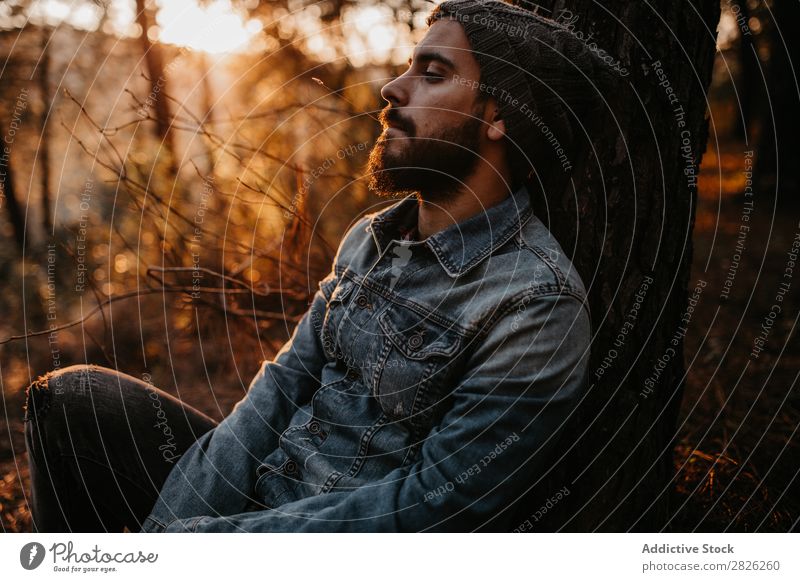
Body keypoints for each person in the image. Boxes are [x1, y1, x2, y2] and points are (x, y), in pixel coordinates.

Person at [24, 0, 609, 532]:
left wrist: (219, 546)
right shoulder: (371, 238)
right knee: (70, 402)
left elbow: (436, 507)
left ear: (498, 115)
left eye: (430, 74)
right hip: (258, 498)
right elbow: (279, 389)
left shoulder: (536, 306)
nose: (390, 89)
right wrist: (176, 530)